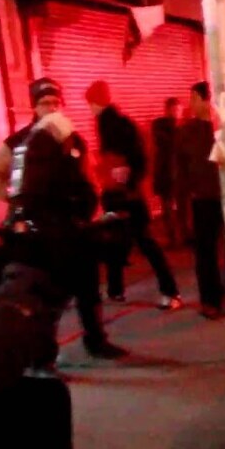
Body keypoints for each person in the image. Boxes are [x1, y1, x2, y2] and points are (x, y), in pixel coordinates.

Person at [0, 78, 127, 360]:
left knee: (88, 288)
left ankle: (96, 340)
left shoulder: (71, 137)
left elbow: (88, 175)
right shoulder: (21, 141)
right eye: (45, 103)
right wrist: (14, 205)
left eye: (56, 102)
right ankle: (43, 356)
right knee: (49, 297)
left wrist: (92, 210)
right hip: (43, 233)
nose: (52, 108)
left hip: (75, 228)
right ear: (34, 107)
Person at [85, 80, 182, 310]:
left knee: (134, 241)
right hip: (126, 194)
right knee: (122, 241)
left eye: (91, 103)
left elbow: (133, 159)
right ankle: (118, 289)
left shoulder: (112, 125)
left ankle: (168, 291)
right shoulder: (113, 124)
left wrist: (124, 175)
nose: (90, 108)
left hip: (123, 195)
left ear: (98, 102)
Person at [174, 82, 225, 319]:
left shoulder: (224, 128)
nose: (190, 104)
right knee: (210, 251)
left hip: (219, 197)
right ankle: (214, 297)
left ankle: (222, 297)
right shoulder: (190, 131)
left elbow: (180, 170)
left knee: (221, 250)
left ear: (205, 100)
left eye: (193, 99)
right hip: (209, 198)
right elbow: (180, 168)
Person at [153, 97, 188, 247]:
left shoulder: (184, 126)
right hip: (166, 171)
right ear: (167, 110)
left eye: (178, 110)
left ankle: (184, 234)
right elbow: (169, 143)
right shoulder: (160, 125)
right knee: (168, 206)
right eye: (174, 109)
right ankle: (173, 236)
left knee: (182, 205)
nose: (177, 113)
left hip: (179, 171)